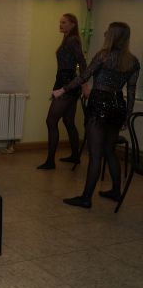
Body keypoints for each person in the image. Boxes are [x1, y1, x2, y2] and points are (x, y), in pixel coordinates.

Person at [53, 22, 139, 208]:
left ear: (113, 35)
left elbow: (83, 76)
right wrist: (127, 116)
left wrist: (63, 90)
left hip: (99, 104)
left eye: (108, 31)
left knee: (95, 154)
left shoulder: (103, 55)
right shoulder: (133, 61)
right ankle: (115, 191)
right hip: (117, 106)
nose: (105, 32)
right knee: (109, 151)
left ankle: (86, 198)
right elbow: (131, 92)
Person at [38, 14, 87, 170]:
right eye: (60, 22)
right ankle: (75, 156)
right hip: (66, 82)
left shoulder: (72, 40)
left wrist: (84, 84)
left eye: (64, 22)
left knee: (51, 121)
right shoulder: (67, 39)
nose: (61, 25)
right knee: (68, 121)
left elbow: (82, 61)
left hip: (67, 84)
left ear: (73, 24)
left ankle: (50, 161)